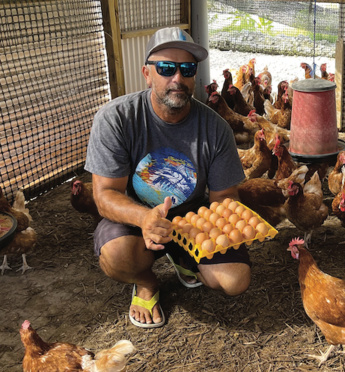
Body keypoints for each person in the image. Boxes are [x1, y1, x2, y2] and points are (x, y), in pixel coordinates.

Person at [85, 27, 249, 328]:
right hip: (136, 216)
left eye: (187, 69)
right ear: (147, 74)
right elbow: (105, 195)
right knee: (117, 256)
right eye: (166, 68)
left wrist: (197, 231)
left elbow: (224, 198)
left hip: (193, 216)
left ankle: (184, 256)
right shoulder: (116, 118)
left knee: (234, 280)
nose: (178, 78)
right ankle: (146, 282)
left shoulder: (215, 128)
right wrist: (145, 218)